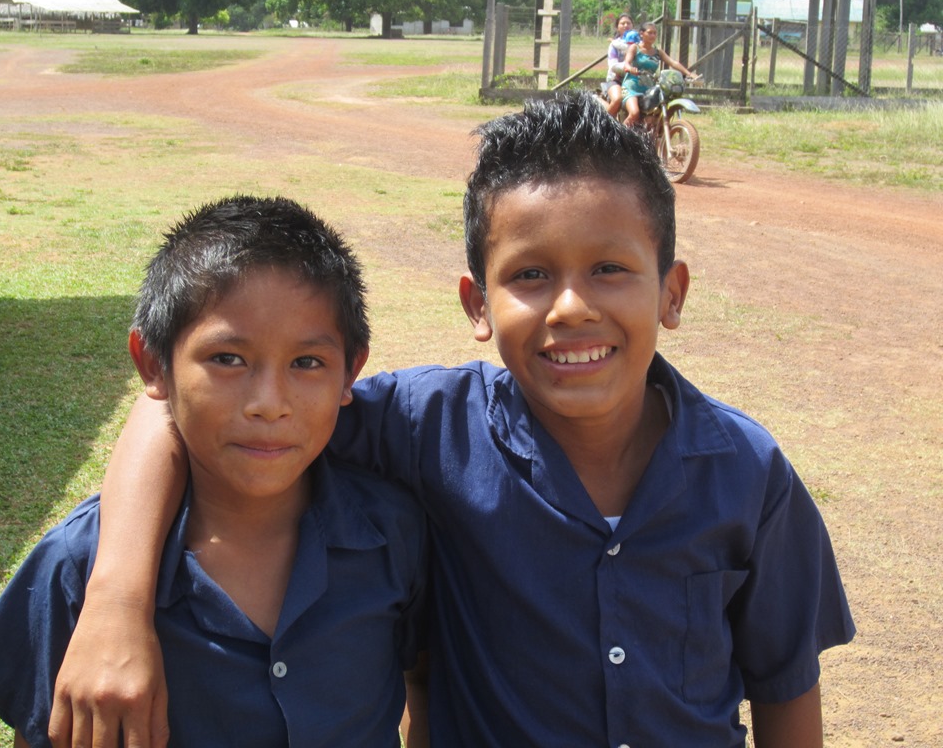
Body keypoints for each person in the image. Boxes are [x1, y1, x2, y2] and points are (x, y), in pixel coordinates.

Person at [50, 93, 855, 747]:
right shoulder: (427, 426)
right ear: (477, 304)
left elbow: (786, 689)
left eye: (610, 270)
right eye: (530, 275)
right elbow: (179, 414)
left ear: (671, 293)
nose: (572, 307)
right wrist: (116, 600)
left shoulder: (747, 473)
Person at [0, 195, 427, 748]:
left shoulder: (394, 533)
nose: (268, 404)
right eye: (228, 359)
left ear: (352, 370)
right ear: (153, 364)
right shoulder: (75, 567)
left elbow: (423, 680)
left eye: (307, 363)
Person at [622, 21, 699, 126]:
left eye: (654, 33)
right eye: (649, 32)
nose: (653, 35)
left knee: (656, 116)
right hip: (632, 87)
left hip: (649, 90)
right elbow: (626, 63)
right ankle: (619, 137)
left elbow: (672, 62)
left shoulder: (658, 52)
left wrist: (689, 74)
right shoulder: (635, 48)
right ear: (641, 34)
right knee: (634, 113)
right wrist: (630, 68)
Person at [598, 13, 635, 117]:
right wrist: (628, 67)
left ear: (633, 26)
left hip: (635, 81)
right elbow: (613, 65)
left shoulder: (639, 43)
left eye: (628, 23)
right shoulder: (614, 46)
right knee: (617, 99)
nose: (625, 25)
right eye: (622, 23)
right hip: (616, 80)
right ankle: (605, 125)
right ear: (617, 27)